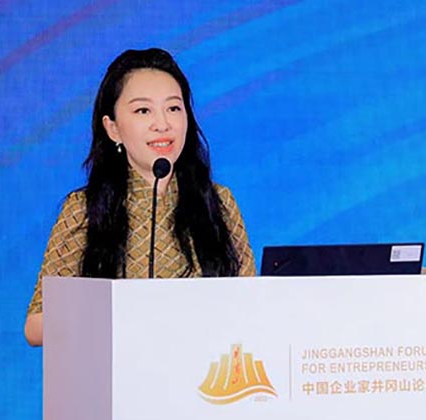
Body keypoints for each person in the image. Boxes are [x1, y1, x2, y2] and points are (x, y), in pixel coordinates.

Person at [24, 48, 256, 346]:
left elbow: (253, 307)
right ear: (113, 128)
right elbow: (36, 326)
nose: (163, 124)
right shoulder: (84, 209)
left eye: (174, 108)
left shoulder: (219, 202)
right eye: (143, 111)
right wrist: (118, 314)